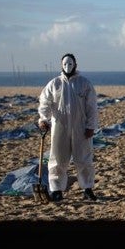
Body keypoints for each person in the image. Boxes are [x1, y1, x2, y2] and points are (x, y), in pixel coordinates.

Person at [38, 53, 98, 202]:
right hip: (59, 128)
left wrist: (91, 126)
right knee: (57, 160)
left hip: (81, 129)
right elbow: (44, 102)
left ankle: (87, 188)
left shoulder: (85, 84)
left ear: (75, 65)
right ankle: (57, 190)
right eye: (65, 64)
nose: (67, 67)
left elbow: (92, 107)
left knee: (84, 159)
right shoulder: (54, 84)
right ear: (61, 65)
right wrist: (43, 119)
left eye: (70, 64)